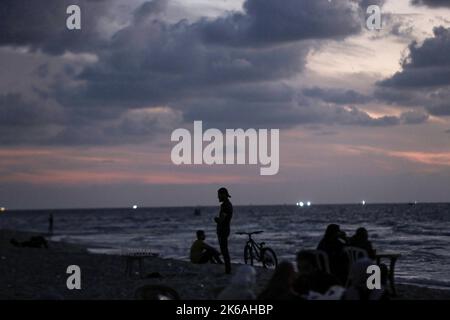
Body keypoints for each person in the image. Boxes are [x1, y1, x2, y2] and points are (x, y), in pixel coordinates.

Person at [215, 187, 233, 274]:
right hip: (224, 230)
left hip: (223, 230)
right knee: (224, 250)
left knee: (224, 250)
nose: (218, 197)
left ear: (223, 195)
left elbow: (222, 219)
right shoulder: (227, 204)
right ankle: (228, 269)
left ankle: (228, 270)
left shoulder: (226, 206)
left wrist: (216, 220)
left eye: (219, 195)